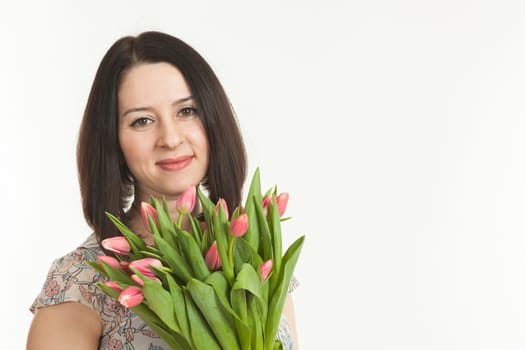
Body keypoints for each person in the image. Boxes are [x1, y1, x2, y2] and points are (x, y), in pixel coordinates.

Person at [26, 31, 300, 350]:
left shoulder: (254, 252)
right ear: (113, 141)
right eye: (142, 121)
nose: (170, 138)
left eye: (187, 111)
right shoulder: (83, 279)